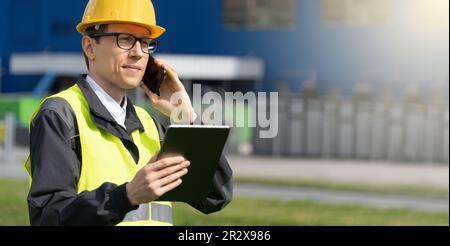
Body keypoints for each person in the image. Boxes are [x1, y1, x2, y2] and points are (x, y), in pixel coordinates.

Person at [24, 0, 233, 226]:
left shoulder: (149, 124)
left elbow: (215, 197)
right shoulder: (60, 115)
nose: (138, 53)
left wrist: (186, 116)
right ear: (89, 47)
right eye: (125, 39)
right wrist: (126, 196)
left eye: (145, 43)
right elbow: (48, 217)